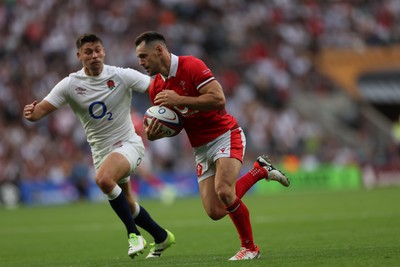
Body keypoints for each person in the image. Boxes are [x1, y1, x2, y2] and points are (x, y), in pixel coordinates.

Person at [134, 31, 290, 261]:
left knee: (225, 191)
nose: (141, 62)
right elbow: (175, 124)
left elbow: (218, 100)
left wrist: (179, 99)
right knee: (215, 211)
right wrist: (157, 134)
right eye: (139, 58)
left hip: (225, 135)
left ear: (159, 50)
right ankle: (260, 170)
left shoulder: (191, 65)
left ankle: (250, 248)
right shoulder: (155, 88)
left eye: (144, 56)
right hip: (200, 147)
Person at [23, 33, 175, 259]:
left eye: (97, 51)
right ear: (79, 56)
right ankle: (162, 236)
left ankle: (133, 235)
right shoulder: (70, 85)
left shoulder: (121, 76)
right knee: (128, 203)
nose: (94, 56)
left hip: (128, 144)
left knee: (103, 179)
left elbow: (156, 88)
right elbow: (40, 112)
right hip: (102, 153)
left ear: (103, 51)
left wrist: (176, 103)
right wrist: (31, 113)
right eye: (88, 52)